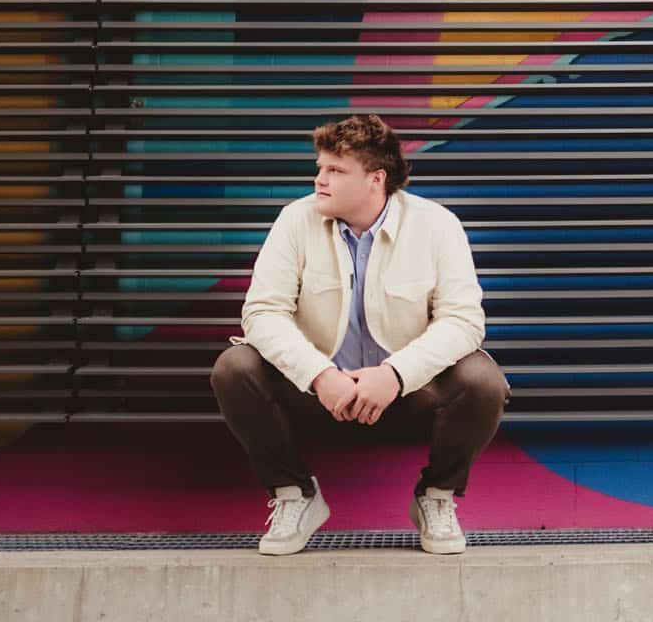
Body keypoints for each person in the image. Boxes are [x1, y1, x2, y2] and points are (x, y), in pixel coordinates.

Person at [210, 114, 510, 555]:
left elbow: (464, 321)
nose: (320, 180)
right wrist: (319, 374)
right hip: (317, 394)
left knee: (483, 381)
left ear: (376, 179)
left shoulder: (436, 225)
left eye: (335, 170)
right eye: (319, 168)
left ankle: (436, 497)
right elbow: (262, 313)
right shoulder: (296, 220)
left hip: (407, 395)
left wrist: (394, 374)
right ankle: (295, 495)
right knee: (234, 368)